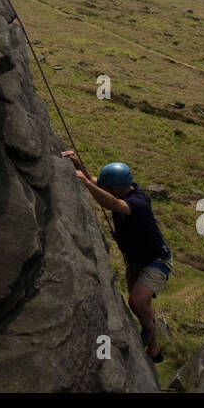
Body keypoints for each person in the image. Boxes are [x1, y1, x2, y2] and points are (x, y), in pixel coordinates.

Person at [64, 150, 172, 363]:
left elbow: (113, 204)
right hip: (136, 262)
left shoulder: (138, 203)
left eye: (109, 188)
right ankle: (154, 349)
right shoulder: (122, 189)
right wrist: (78, 164)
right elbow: (98, 183)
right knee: (143, 306)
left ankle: (150, 337)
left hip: (156, 262)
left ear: (118, 188)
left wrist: (86, 184)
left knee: (137, 301)